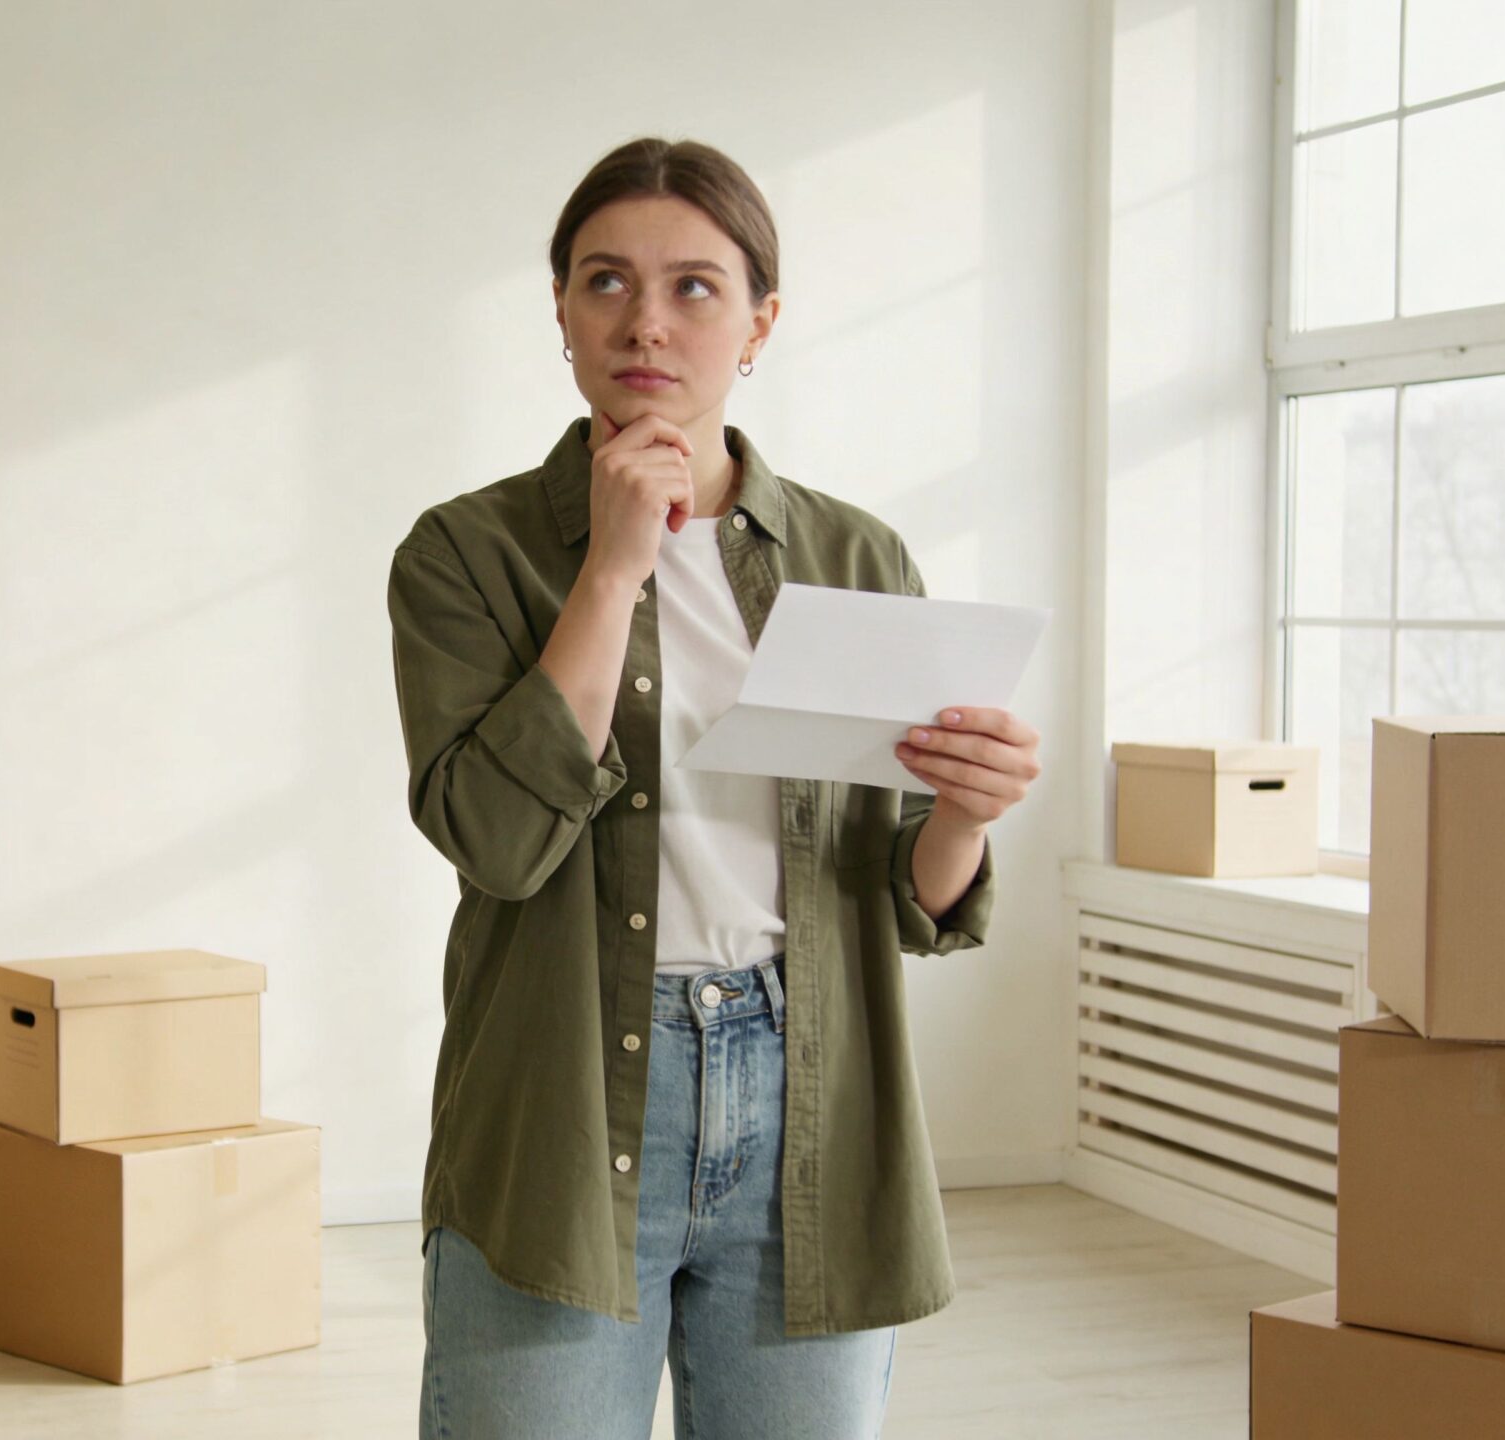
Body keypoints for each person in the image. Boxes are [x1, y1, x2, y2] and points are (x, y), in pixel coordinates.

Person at [385, 136, 1042, 1440]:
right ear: (561, 311)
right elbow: (496, 843)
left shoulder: (857, 555)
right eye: (605, 281)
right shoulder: (468, 552)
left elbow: (910, 899)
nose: (646, 321)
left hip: (813, 1107)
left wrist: (967, 811)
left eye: (694, 286)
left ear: (760, 323)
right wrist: (612, 569)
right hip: (561, 1114)